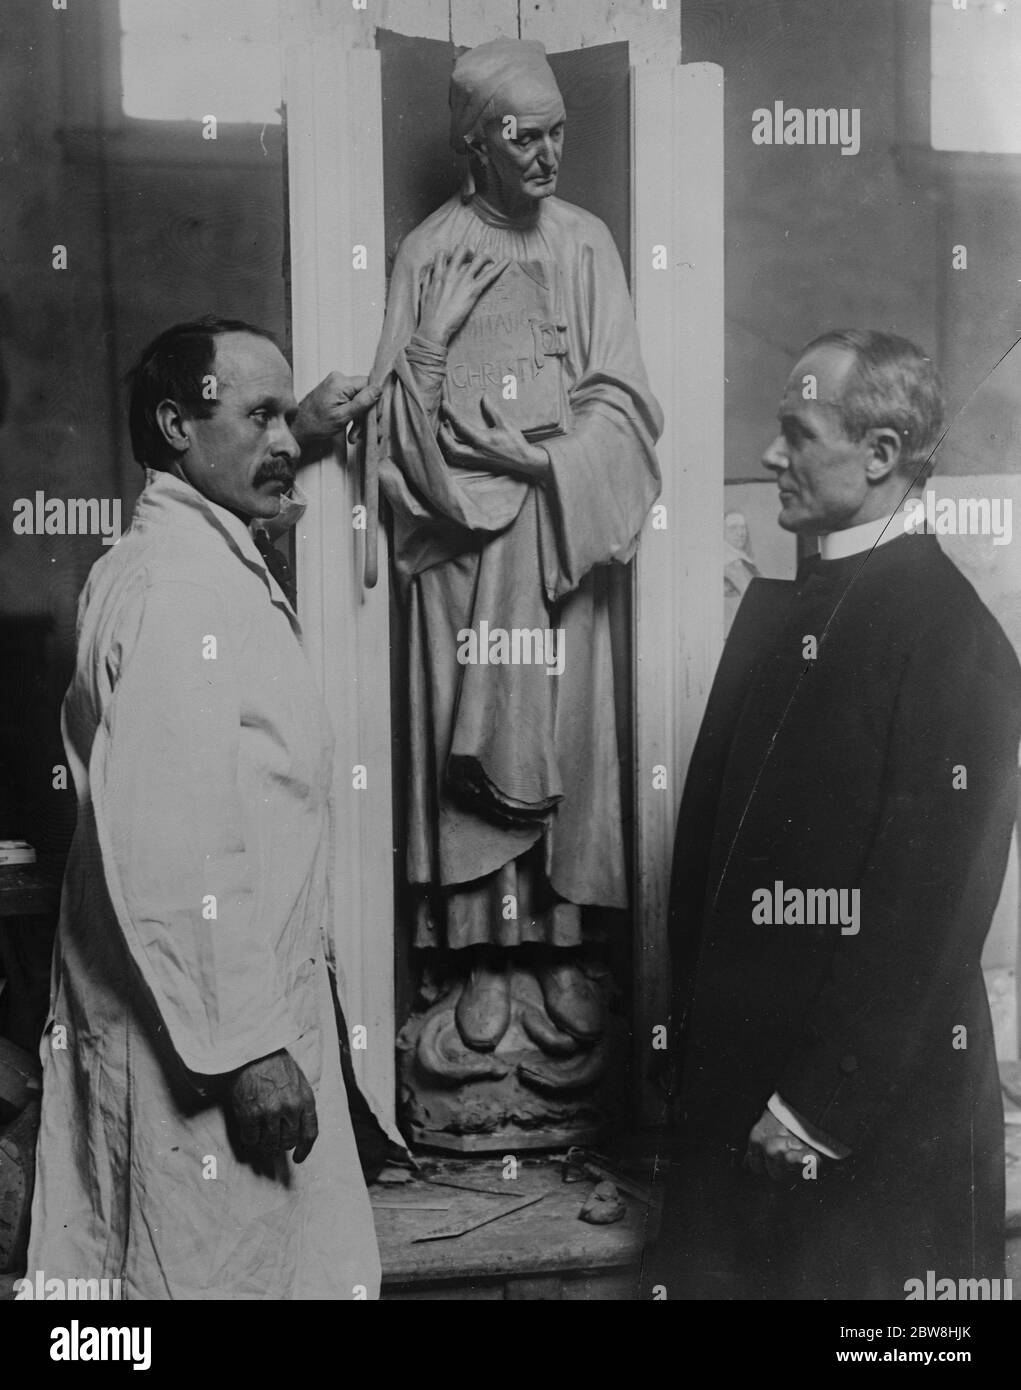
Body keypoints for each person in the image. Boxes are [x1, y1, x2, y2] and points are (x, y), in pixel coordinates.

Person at [653, 329, 1021, 1299]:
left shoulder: (957, 642)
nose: (770, 457)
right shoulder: (787, 607)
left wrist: (817, 1109)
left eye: (794, 433)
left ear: (880, 456)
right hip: (747, 1119)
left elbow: (928, 915)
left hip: (866, 1135)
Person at [27, 317, 383, 1299]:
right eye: (260, 414)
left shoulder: (196, 562)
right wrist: (246, 1050)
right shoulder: (178, 594)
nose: (283, 442)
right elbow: (178, 847)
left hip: (219, 1019)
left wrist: (299, 431)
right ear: (177, 424)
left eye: (289, 416)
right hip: (208, 1044)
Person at [371, 37, 662, 1056]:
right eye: (523, 137)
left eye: (557, 136)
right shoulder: (427, 250)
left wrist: (542, 464)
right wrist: (434, 366)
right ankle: (480, 955)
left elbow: (623, 404)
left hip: (556, 540)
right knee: (470, 737)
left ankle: (559, 949)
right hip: (456, 545)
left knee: (566, 747)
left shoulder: (584, 243)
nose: (546, 157)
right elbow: (388, 423)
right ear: (474, 142)